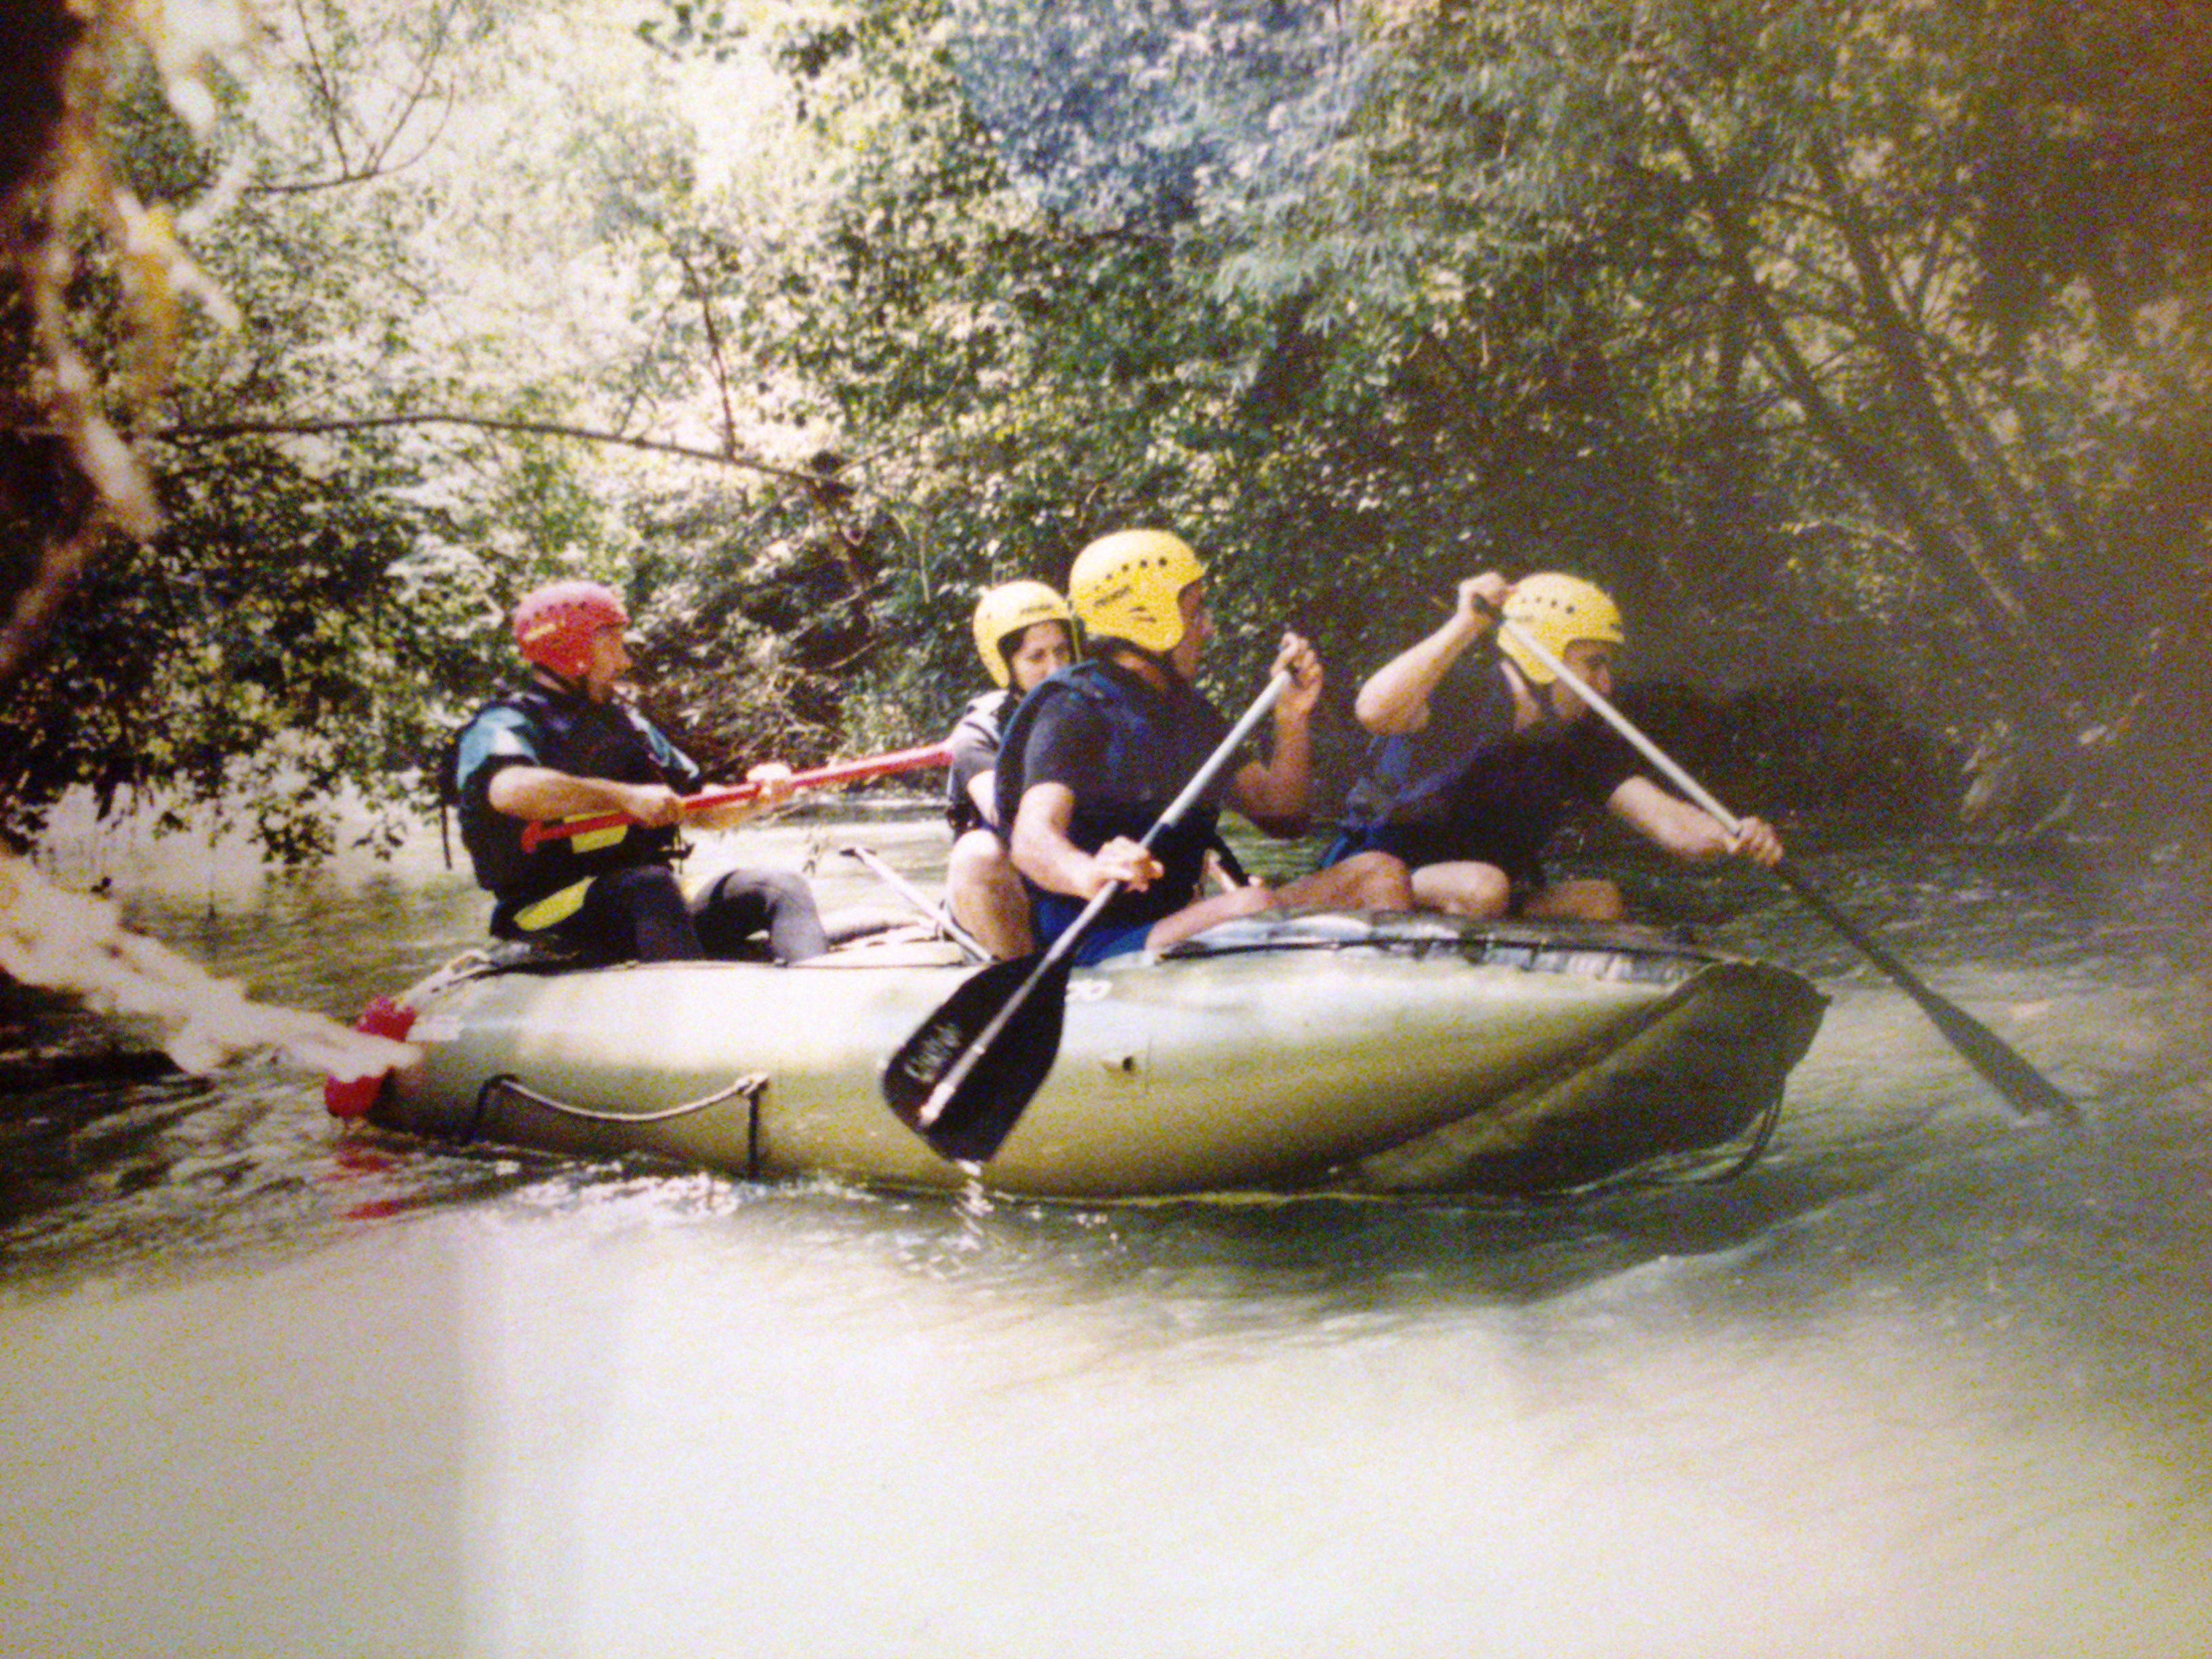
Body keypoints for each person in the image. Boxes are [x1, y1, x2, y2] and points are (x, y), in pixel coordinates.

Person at [996, 529, 1412, 966]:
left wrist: (1291, 718)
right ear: (1149, 619)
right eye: (1195, 614)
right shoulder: (1072, 708)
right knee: (1251, 907)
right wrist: (1088, 871)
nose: (1208, 628)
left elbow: (1282, 816)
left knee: (1379, 874)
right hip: (1096, 943)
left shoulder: (1189, 711)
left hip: (1184, 919)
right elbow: (1032, 839)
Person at [1326, 571, 1784, 920]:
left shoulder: (1577, 740)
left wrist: (1732, 835)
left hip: (1480, 899)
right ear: (1542, 653)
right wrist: (1467, 623)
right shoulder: (1458, 694)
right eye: (1594, 664)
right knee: (1482, 886)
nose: (1605, 686)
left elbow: (1670, 824)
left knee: (1599, 900)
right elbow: (1374, 711)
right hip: (1373, 883)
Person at [453, 579, 830, 964]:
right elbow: (510, 790)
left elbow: (702, 808)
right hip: (545, 911)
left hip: (651, 903)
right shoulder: (503, 724)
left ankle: (816, 991)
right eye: (613, 643)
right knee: (649, 885)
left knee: (780, 886)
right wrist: (626, 797)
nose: (625, 661)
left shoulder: (627, 726)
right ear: (571, 649)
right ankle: (687, 1007)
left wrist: (759, 795)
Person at [941, 580, 1078, 958]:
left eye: (1062, 651)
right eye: (1036, 658)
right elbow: (1011, 819)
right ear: (1005, 665)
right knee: (978, 852)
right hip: (1016, 892)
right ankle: (1018, 976)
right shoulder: (976, 736)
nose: (1056, 669)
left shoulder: (1095, 710)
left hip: (1081, 882)